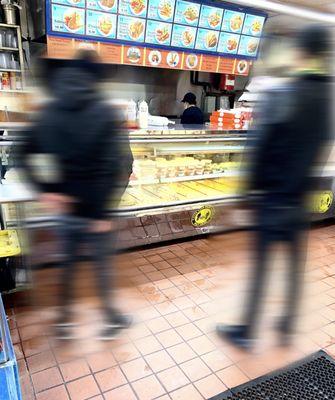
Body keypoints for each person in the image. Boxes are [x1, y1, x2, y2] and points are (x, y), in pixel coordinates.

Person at [216, 25, 333, 350]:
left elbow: (260, 148)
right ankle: (287, 327)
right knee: (294, 267)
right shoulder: (328, 98)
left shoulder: (285, 92)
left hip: (273, 200)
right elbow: (323, 142)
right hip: (300, 200)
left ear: (300, 52)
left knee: (261, 269)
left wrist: (244, 197)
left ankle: (248, 333)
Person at [19, 50, 134, 340]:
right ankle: (111, 321)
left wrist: (46, 191)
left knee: (68, 266)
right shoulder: (106, 112)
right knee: (101, 267)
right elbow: (116, 165)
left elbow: (20, 153)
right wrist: (102, 213)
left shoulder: (48, 111)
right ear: (95, 78)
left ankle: (64, 323)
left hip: (66, 209)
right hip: (94, 211)